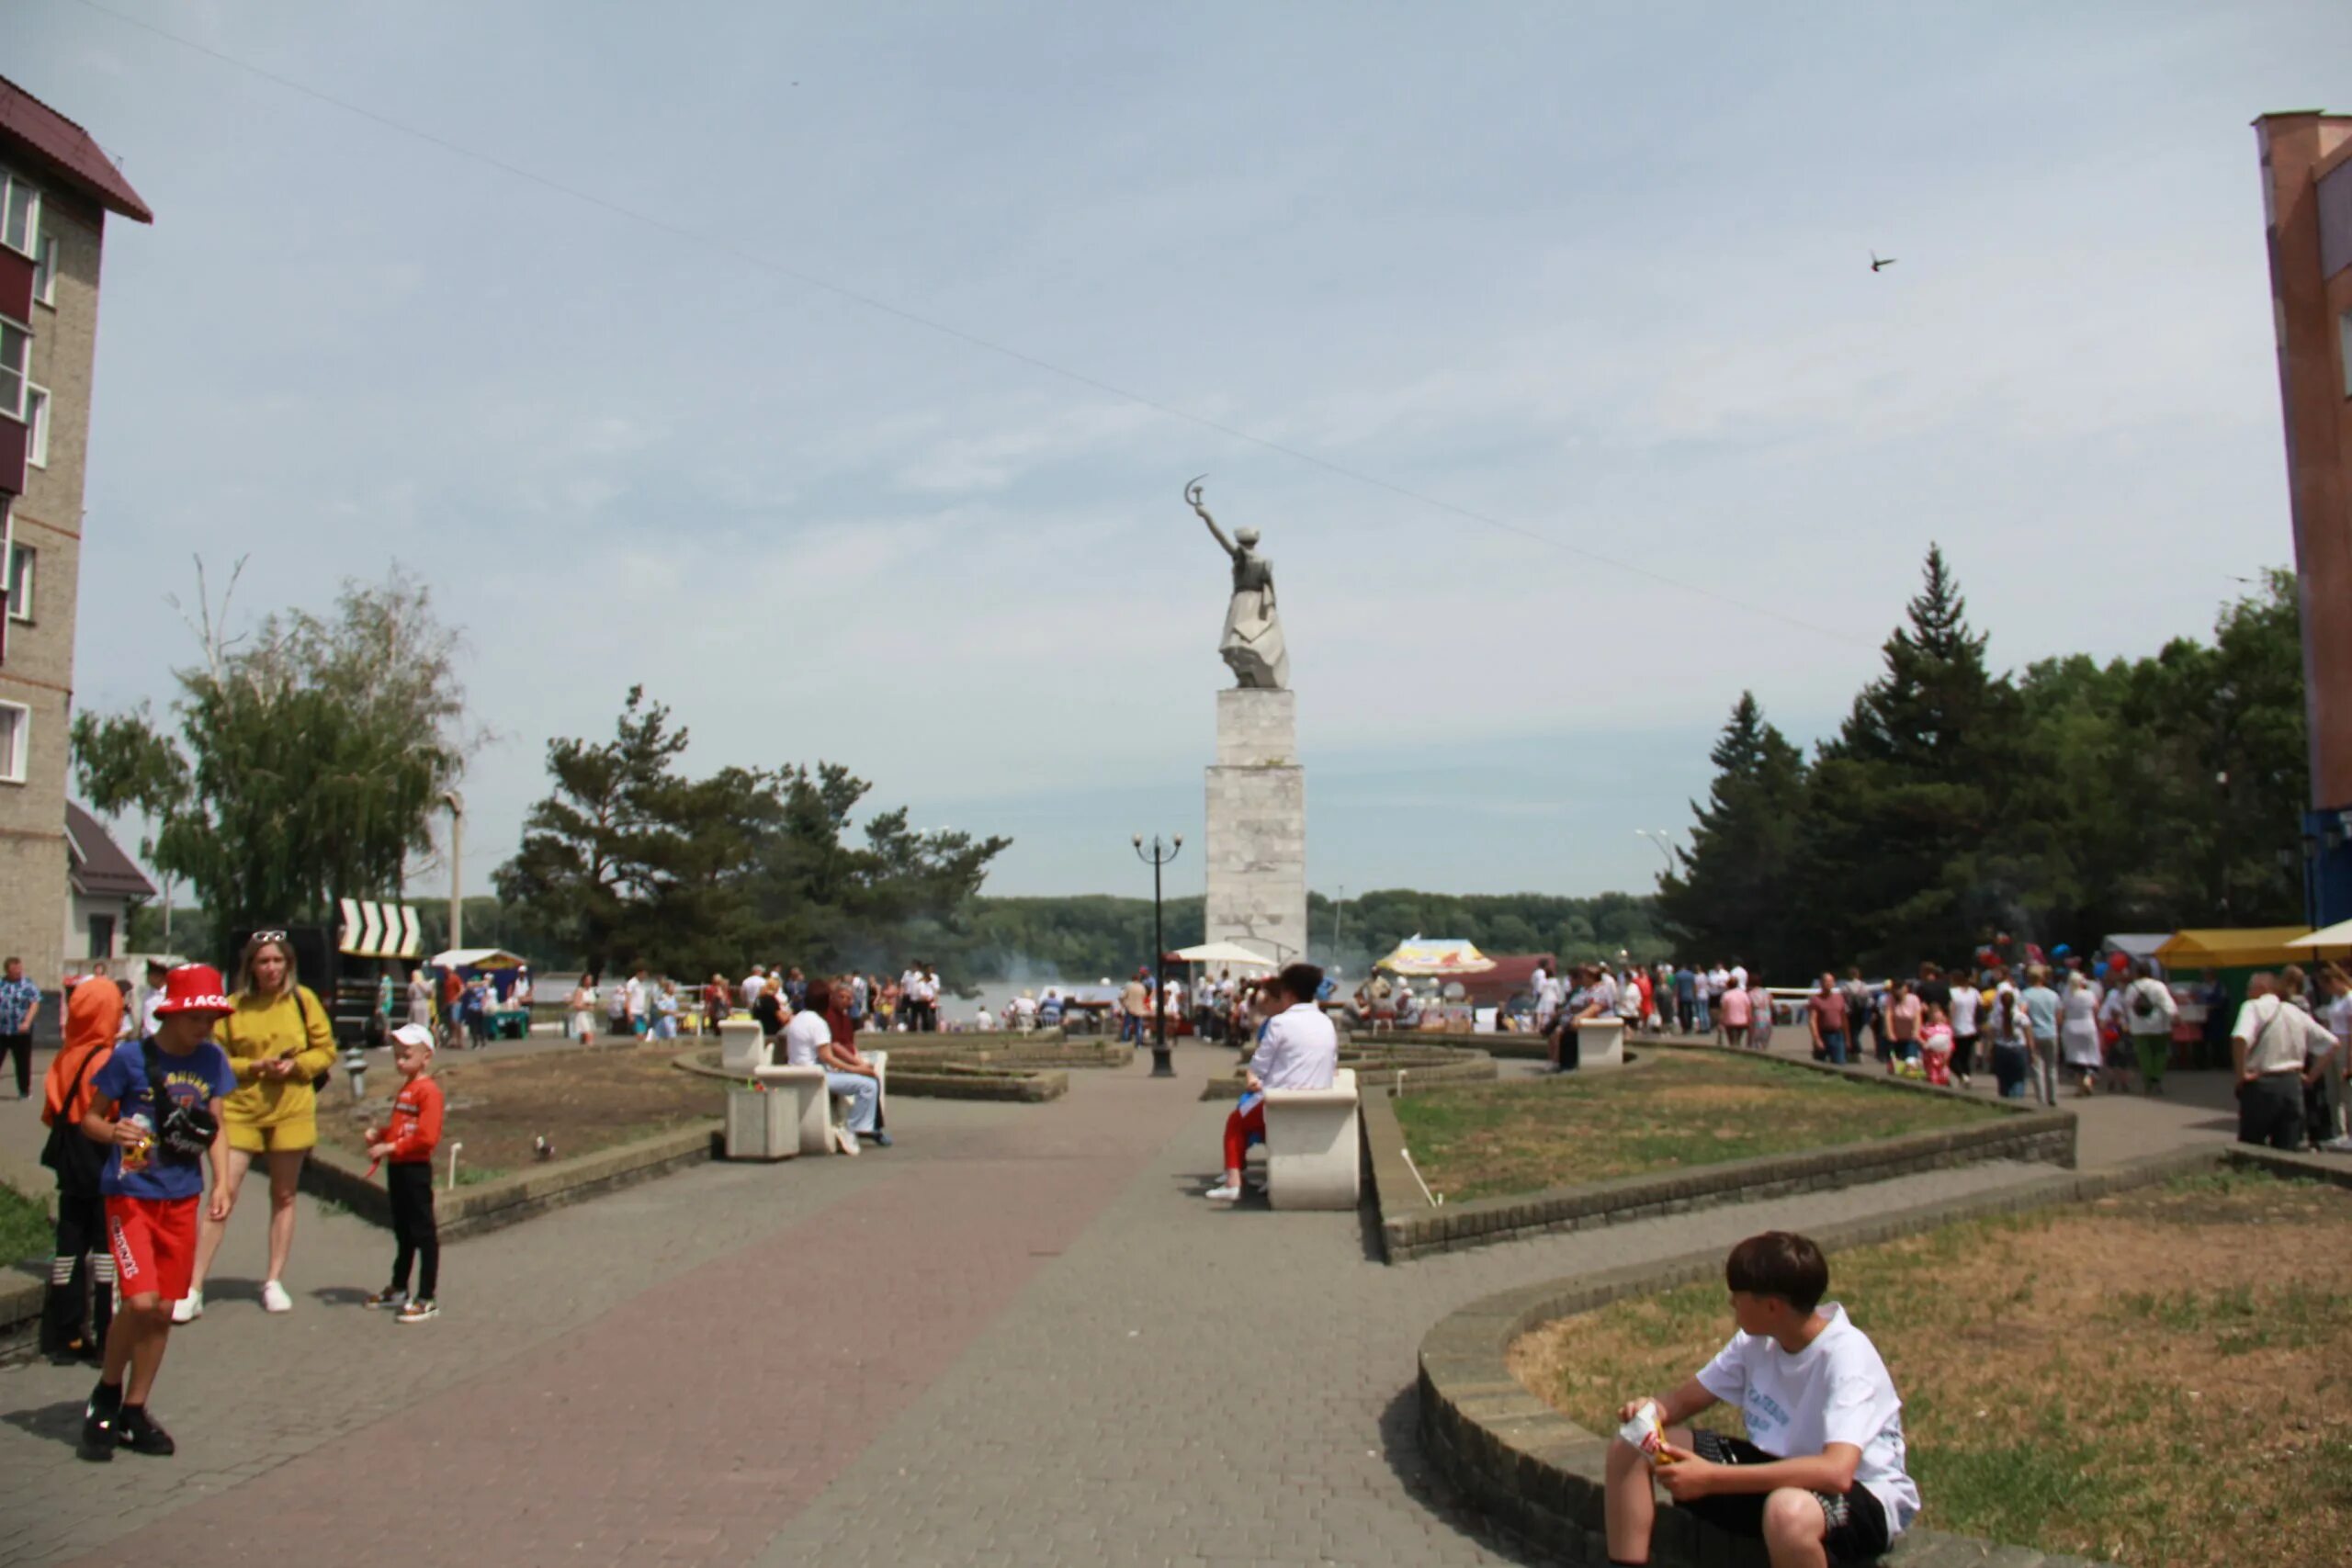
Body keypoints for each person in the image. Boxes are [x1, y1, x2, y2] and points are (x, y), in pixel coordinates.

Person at [1602, 1231, 1918, 1567]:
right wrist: (1648, 1411)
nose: (1731, 1304)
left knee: (1788, 1513)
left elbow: (1836, 1473)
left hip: (1861, 1495)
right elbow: (1679, 1402)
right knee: (1633, 1443)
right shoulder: (1756, 1341)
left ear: (1771, 1307)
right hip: (1776, 1474)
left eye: (1738, 1296)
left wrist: (1710, 1478)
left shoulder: (1846, 1357)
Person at [75, 963, 237, 1463]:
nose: (205, 1028)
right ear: (170, 1012)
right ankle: (106, 1389)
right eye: (195, 1017)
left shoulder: (212, 1061)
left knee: (165, 1308)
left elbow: (216, 1127)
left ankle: (135, 1408)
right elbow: (89, 1120)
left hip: (181, 1196)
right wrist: (115, 1132)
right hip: (131, 1195)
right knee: (140, 1301)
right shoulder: (129, 1058)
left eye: (212, 1019)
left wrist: (222, 1183)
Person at [177, 931, 335, 1323]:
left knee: (284, 1194)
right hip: (240, 1109)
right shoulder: (232, 1007)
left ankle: (273, 1280)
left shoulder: (304, 1001)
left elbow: (325, 1049)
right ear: (250, 966)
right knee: (222, 1193)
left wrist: (295, 1066)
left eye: (278, 961)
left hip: (290, 1107)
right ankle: (193, 1287)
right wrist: (254, 1067)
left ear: (289, 964)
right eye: (263, 961)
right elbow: (213, 1058)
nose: (271, 968)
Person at [1204, 964, 1338, 1202]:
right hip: (1319, 1102)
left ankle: (1233, 1182)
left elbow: (1258, 1067)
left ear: (1288, 994)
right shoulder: (1326, 1022)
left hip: (1281, 1103)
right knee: (1263, 1123)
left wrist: (1254, 1079)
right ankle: (1274, 1174)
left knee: (1236, 1122)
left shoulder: (1280, 1023)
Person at [39, 987, 119, 1363]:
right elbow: (118, 1110)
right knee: (107, 1253)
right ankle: (107, 1336)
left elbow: (49, 1113)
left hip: (70, 1163)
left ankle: (66, 1333)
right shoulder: (107, 1058)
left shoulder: (63, 1057)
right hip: (101, 1159)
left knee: (68, 1249)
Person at [362, 1023, 445, 1323]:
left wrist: (389, 1147)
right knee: (403, 1231)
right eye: (397, 1055)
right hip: (398, 1167)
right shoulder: (408, 1089)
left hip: (414, 1169)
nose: (400, 1061)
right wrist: (381, 1135)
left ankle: (427, 1295)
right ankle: (399, 1286)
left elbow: (425, 1137)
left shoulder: (428, 1092)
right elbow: (402, 1128)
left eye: (406, 1055)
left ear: (425, 1057)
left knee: (424, 1233)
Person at [2232, 973, 2339, 1150]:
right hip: (2292, 1085)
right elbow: (2332, 1044)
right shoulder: (2294, 1012)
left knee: (2250, 1149)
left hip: (2261, 1083)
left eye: (2250, 988)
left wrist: (2241, 1074)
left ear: (2262, 988)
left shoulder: (2252, 1007)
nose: (2247, 993)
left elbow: (2240, 1038)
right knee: (2287, 1148)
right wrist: (2311, 1077)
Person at [785, 978, 876, 1155]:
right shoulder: (819, 1024)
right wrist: (857, 1070)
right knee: (868, 1086)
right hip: (816, 1075)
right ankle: (851, 1129)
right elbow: (828, 1057)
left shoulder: (797, 1020)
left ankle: (849, 1125)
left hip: (798, 1072)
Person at [2118, 962, 2178, 1096]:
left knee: (2144, 1054)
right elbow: (2167, 1003)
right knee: (2160, 1053)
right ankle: (2156, 1078)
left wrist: (2125, 1021)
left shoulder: (2132, 988)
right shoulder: (2158, 986)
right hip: (2159, 1024)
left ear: (2137, 973)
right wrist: (2174, 1015)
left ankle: (2148, 1081)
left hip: (2139, 1025)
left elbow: (2126, 1005)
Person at [1, 954, 42, 1099]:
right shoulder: (2, 984)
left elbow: (35, 1003)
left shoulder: (27, 984)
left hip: (21, 1031)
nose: (18, 972)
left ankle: (24, 1091)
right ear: (7, 971)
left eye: (19, 969)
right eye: (15, 970)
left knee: (22, 1062)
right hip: (2, 1030)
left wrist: (27, 1022)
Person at [2020, 965, 2063, 1106]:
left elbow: (2022, 1013)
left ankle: (2041, 1099)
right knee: (2051, 1067)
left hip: (2034, 1034)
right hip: (2051, 1033)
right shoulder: (2053, 995)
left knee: (2037, 1067)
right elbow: (2059, 1016)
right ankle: (2053, 1097)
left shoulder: (2026, 994)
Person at [2059, 970, 2103, 1097]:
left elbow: (2061, 1013)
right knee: (2091, 1054)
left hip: (2071, 1026)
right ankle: (2088, 1080)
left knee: (2076, 1057)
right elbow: (2096, 1009)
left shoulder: (2067, 995)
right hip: (2088, 1025)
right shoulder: (2089, 994)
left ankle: (2080, 1087)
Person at [1985, 985, 2033, 1100]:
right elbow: (2029, 1037)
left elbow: (1991, 1037)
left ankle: (2006, 1101)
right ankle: (2017, 1101)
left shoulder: (1995, 1016)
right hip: (2018, 1049)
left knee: (2003, 1081)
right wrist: (2031, 1053)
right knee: (2018, 1079)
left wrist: (1989, 1053)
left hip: (2001, 1049)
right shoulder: (2021, 1017)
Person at [1945, 970, 1979, 1089]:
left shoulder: (1952, 992)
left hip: (1955, 1028)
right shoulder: (1974, 993)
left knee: (1951, 1057)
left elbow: (1951, 1010)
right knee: (1965, 1057)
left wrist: (1948, 1023)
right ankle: (1966, 1078)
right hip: (1970, 1028)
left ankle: (1962, 1076)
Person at [1807, 974, 1849, 1066]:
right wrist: (1817, 1039)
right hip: (1824, 1034)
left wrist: (1848, 1038)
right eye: (1826, 981)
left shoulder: (1839, 998)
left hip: (1838, 1034)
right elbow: (1812, 1021)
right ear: (1821, 983)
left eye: (1831, 981)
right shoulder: (1816, 1000)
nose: (1829, 984)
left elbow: (1844, 1018)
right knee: (1819, 1064)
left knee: (1839, 1063)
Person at [1883, 980, 1921, 1072]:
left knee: (1911, 1061)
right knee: (1895, 1064)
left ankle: (1911, 1077)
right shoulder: (1890, 999)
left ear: (1905, 988)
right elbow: (1888, 1016)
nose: (1898, 991)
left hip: (1910, 1036)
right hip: (1896, 1036)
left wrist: (1916, 1031)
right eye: (1896, 988)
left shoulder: (1914, 999)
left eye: (1900, 988)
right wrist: (1890, 1032)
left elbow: (1917, 1016)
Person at [1718, 973, 1753, 1051]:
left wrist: (1720, 1022)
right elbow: (1748, 1007)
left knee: (1732, 1041)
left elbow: (1723, 1010)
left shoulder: (1726, 995)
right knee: (1738, 1039)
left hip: (1730, 1022)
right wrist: (1749, 1019)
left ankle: (1734, 1051)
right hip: (1742, 1021)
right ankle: (1738, 1049)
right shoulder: (1743, 994)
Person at [1744, 971, 1773, 1054]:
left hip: (1757, 1016)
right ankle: (1764, 1050)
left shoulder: (1750, 994)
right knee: (1765, 1037)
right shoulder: (1766, 993)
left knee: (1755, 1037)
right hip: (1767, 1015)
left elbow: (1749, 1007)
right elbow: (1771, 1005)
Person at [570, 973, 599, 1045]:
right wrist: (586, 1007)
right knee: (588, 1034)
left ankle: (583, 1050)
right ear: (584, 981)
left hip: (590, 1015)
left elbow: (594, 1002)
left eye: (591, 979)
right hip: (583, 1015)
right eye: (588, 979)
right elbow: (576, 1005)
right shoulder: (580, 990)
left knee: (586, 1036)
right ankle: (590, 1048)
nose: (590, 981)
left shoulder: (592, 990)